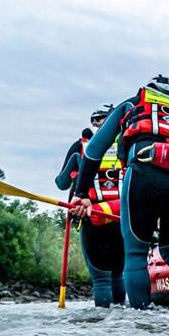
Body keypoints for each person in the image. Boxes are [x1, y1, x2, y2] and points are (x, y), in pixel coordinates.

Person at [70, 76, 169, 309]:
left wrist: (80, 192)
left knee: (136, 254)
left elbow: (94, 151)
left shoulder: (132, 104)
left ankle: (143, 319)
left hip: (143, 173)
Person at [55, 104, 126, 306]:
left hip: (91, 216)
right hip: (121, 218)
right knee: (117, 275)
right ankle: (125, 330)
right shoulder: (127, 143)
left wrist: (74, 167)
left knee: (102, 278)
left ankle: (101, 333)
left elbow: (61, 183)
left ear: (95, 123)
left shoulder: (81, 147)